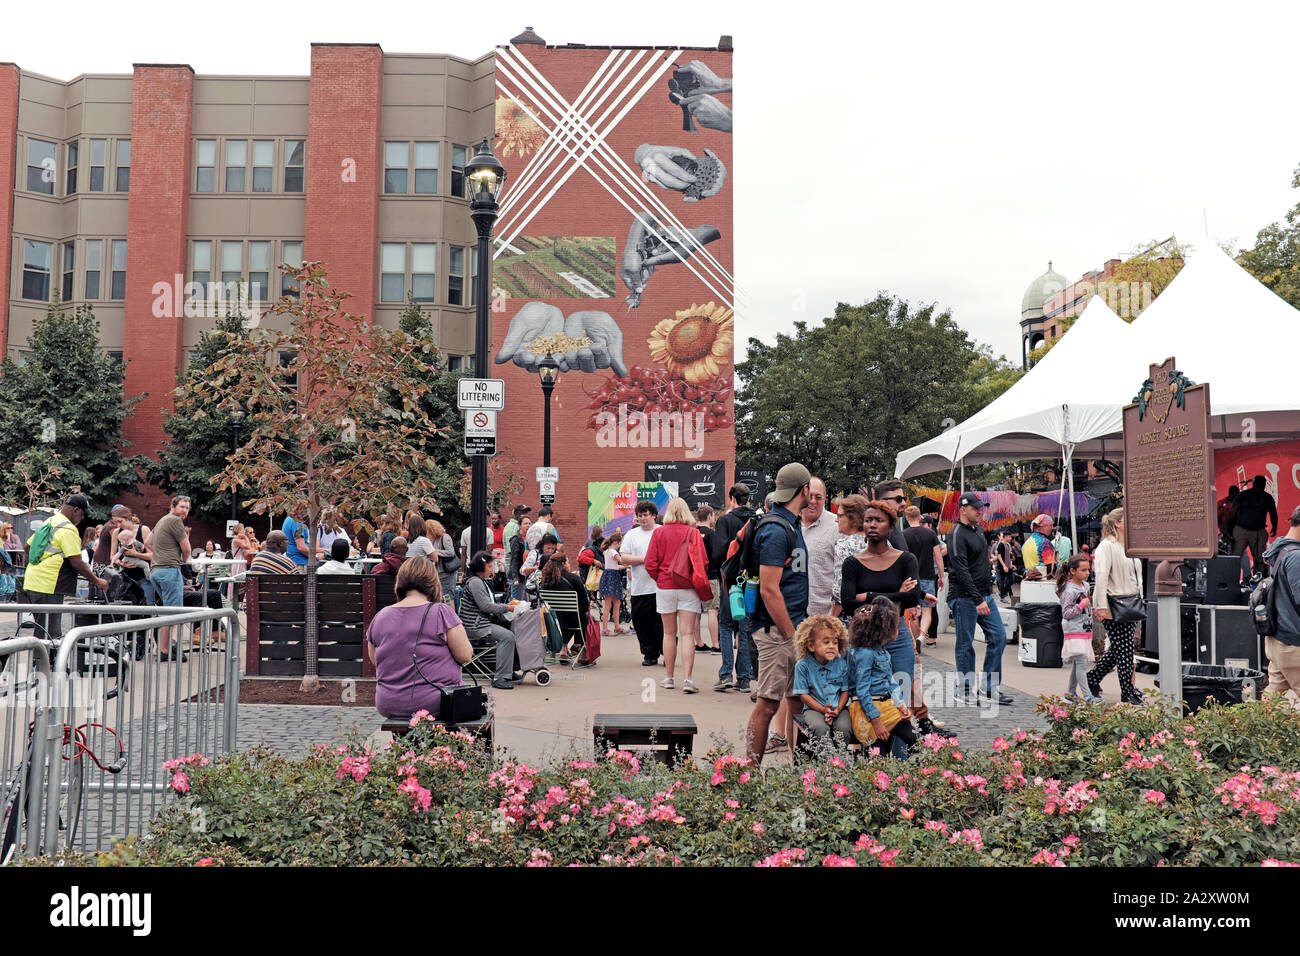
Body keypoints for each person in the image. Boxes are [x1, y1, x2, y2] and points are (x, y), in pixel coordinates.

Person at [839, 499, 922, 754]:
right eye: (868, 520)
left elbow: (912, 597)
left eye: (879, 521)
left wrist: (869, 596)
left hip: (896, 638)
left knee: (899, 701)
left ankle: (900, 763)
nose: (872, 525)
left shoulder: (905, 559)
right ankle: (871, 761)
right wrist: (893, 593)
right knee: (865, 695)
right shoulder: (852, 563)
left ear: (890, 526)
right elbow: (848, 603)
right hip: (863, 641)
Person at [745, 462, 811, 763]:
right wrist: (791, 635)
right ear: (805, 490)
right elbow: (769, 589)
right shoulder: (775, 529)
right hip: (776, 632)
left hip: (788, 627)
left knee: (797, 700)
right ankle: (747, 774)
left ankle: (802, 772)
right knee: (768, 703)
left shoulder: (789, 523)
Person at [367, 557, 472, 721]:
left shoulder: (380, 616)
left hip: (389, 703)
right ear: (433, 582)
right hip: (434, 703)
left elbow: (375, 660)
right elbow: (465, 655)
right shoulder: (441, 612)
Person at [947, 492, 1012, 706]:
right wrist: (977, 599)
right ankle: (964, 689)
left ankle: (989, 688)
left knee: (999, 636)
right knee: (965, 644)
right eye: (975, 508)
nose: (979, 511)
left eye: (980, 508)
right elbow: (961, 569)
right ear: (963, 509)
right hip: (965, 597)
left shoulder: (979, 531)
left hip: (984, 594)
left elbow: (977, 563)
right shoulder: (957, 533)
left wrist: (987, 591)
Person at [22, 493, 108, 641]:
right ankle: (45, 663)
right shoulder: (68, 529)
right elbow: (77, 563)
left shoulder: (50, 521)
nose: (82, 518)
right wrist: (97, 581)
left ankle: (41, 662)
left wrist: (45, 560)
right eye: (82, 514)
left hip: (33, 581)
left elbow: (28, 547)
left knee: (42, 629)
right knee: (50, 633)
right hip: (50, 584)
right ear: (75, 510)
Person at [644, 497, 706, 693]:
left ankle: (669, 677)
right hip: (688, 587)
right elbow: (702, 562)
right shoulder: (693, 533)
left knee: (669, 633)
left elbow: (650, 564)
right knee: (688, 633)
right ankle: (688, 680)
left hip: (665, 587)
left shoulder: (659, 533)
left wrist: (660, 578)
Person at [1087, 507, 1145, 705]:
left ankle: (1093, 679)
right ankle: (1127, 691)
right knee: (1125, 649)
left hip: (1129, 601)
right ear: (1117, 523)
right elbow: (1101, 577)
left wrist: (1140, 597)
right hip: (1114, 603)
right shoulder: (1106, 547)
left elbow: (1136, 576)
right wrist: (1100, 606)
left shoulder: (1128, 546)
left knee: (1120, 648)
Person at [848, 598, 916, 756]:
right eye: (895, 626)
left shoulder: (883, 652)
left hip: (886, 705)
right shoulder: (865, 654)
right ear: (884, 629)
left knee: (914, 738)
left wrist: (901, 705)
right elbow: (862, 691)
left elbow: (891, 682)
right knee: (879, 753)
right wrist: (876, 721)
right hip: (869, 710)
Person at [714, 484, 757, 693]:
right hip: (751, 580)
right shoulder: (756, 519)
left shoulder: (725, 520)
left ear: (732, 498)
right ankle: (744, 677)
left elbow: (719, 551)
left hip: (729, 579)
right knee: (745, 627)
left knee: (726, 624)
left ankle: (725, 675)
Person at [457, 549, 520, 690]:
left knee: (511, 629)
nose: (492, 570)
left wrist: (506, 607)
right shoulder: (476, 583)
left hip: (477, 623)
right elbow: (485, 606)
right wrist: (507, 608)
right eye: (489, 567)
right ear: (481, 567)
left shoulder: (479, 581)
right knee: (508, 636)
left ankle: (507, 671)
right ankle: (500, 677)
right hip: (475, 626)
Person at [793, 614, 854, 752]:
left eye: (835, 642)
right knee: (819, 728)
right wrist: (822, 709)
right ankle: (826, 763)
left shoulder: (841, 664)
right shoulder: (802, 666)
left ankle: (841, 759)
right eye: (826, 642)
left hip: (839, 708)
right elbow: (803, 695)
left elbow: (845, 691)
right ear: (811, 646)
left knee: (844, 728)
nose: (832, 646)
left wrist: (838, 709)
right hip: (814, 709)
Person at [146, 495, 193, 661]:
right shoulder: (175, 521)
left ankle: (165, 649)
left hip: (156, 571)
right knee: (175, 614)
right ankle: (167, 649)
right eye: (182, 507)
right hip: (169, 570)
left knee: (168, 612)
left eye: (187, 508)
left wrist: (160, 555)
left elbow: (148, 543)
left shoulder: (162, 520)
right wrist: (184, 560)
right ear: (173, 506)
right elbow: (187, 548)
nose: (185, 511)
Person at [1262, 506, 1300, 705]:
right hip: (1293, 643)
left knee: (1272, 701)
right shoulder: (1296, 556)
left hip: (1278, 641)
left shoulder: (1281, 549)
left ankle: (1252, 731)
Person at [619, 501, 664, 668]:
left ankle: (666, 651)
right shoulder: (632, 535)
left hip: (660, 586)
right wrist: (645, 559)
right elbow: (624, 558)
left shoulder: (661, 531)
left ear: (653, 515)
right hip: (639, 587)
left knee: (662, 622)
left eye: (646, 515)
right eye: (640, 516)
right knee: (641, 622)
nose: (643, 519)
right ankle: (649, 654)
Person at [1058, 554, 1101, 703]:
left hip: (1084, 628)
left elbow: (1087, 606)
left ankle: (1070, 694)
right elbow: (1066, 613)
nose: (1087, 573)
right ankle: (1088, 696)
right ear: (1073, 571)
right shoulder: (1069, 591)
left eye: (1088, 570)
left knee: (1078, 663)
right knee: (1082, 663)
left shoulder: (1086, 586)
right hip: (1074, 629)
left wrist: (1093, 612)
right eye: (1083, 570)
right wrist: (1081, 605)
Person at [902, 505, 943, 646]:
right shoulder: (930, 534)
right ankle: (921, 637)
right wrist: (942, 576)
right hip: (928, 575)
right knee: (927, 611)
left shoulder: (903, 535)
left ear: (907, 518)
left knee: (913, 611)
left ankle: (915, 640)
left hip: (910, 578)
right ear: (920, 517)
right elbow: (938, 556)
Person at [539, 552, 590, 662]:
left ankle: (564, 648)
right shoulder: (574, 578)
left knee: (566, 616)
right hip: (572, 620)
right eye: (567, 561)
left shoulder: (545, 580)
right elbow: (584, 605)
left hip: (552, 620)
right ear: (563, 564)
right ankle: (580, 651)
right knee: (584, 617)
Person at [800, 477, 838, 616]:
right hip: (794, 618)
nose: (813, 502)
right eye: (810, 496)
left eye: (818, 497)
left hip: (827, 618)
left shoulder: (837, 527)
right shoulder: (789, 525)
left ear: (825, 498)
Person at [830, 494, 869, 618]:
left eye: (840, 515)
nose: (836, 520)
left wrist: (831, 618)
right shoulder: (883, 542)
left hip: (852, 618)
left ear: (854, 518)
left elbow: (839, 591)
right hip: (878, 615)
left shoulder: (844, 545)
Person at [1234, 475, 1278, 576]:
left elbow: (1273, 513)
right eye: (1259, 484)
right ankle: (1234, 580)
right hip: (1242, 530)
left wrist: (1274, 527)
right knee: (1236, 557)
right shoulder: (1244, 495)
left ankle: (1258, 581)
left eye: (1261, 484)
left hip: (1257, 530)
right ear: (1254, 484)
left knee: (1258, 559)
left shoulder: (1267, 497)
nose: (1260, 486)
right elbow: (1233, 510)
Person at [694, 508, 722, 652]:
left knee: (694, 611)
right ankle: (716, 645)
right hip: (710, 576)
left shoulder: (691, 533)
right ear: (710, 516)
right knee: (712, 610)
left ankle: (698, 642)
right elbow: (717, 556)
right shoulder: (712, 534)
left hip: (692, 577)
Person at [599, 530, 626, 636]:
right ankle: (605, 629)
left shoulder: (607, 551)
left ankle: (616, 626)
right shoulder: (614, 552)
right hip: (612, 578)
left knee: (615, 603)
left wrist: (625, 566)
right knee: (609, 604)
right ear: (616, 542)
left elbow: (613, 566)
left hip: (609, 576)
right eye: (620, 544)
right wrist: (630, 563)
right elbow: (621, 561)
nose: (620, 546)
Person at [427, 519, 458, 600]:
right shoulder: (433, 540)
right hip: (439, 573)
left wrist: (435, 552)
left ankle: (451, 612)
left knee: (448, 597)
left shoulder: (445, 537)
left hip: (448, 572)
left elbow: (451, 552)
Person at [1022, 514, 1056, 580]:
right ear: (1043, 527)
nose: (1052, 528)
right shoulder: (1045, 543)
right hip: (1044, 581)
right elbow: (1051, 567)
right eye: (1050, 525)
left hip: (1030, 580)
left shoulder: (1026, 543)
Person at [507, 516, 533, 601]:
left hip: (527, 575)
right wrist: (516, 578)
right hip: (518, 576)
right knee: (517, 603)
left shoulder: (531, 539)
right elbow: (514, 559)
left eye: (529, 523)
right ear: (520, 526)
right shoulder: (516, 540)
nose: (528, 525)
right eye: (525, 523)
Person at [994, 529, 1016, 604]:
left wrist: (1010, 565)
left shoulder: (1007, 545)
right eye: (1009, 537)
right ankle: (1002, 597)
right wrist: (1004, 566)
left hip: (1008, 566)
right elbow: (999, 556)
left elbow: (1008, 557)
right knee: (1002, 581)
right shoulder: (1001, 544)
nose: (1011, 538)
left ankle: (1002, 593)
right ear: (1006, 536)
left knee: (1011, 580)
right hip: (1002, 567)